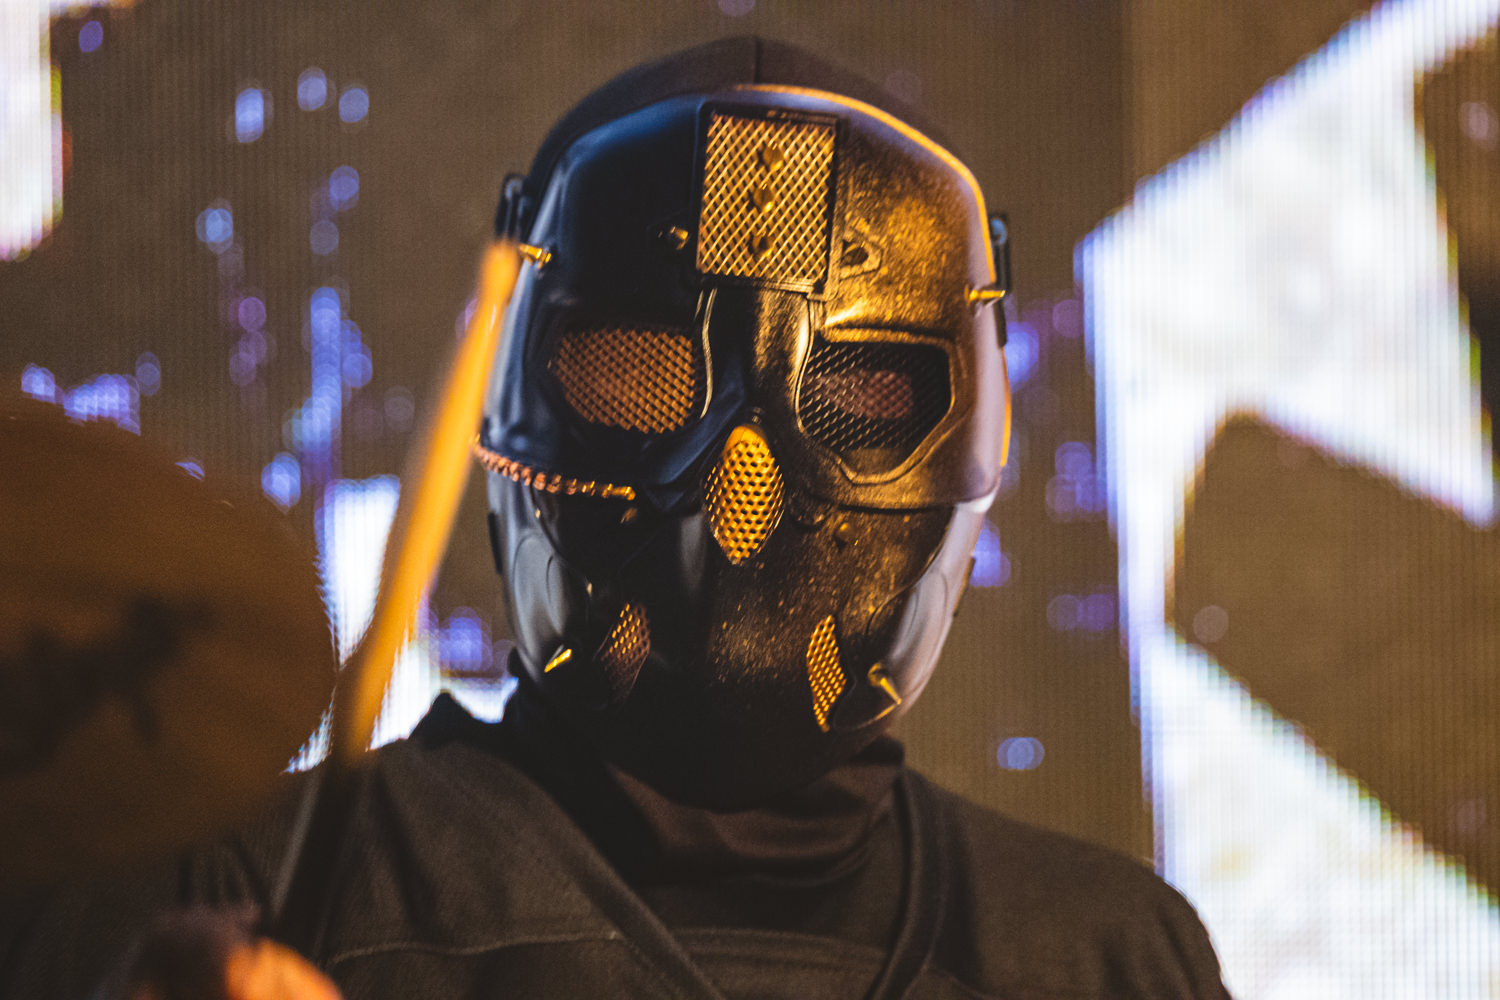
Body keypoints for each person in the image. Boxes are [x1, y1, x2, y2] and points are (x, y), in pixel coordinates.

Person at [1, 38, 1230, 999]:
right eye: (643, 376)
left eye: (852, 394)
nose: (744, 495)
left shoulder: (1108, 957)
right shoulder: (242, 910)